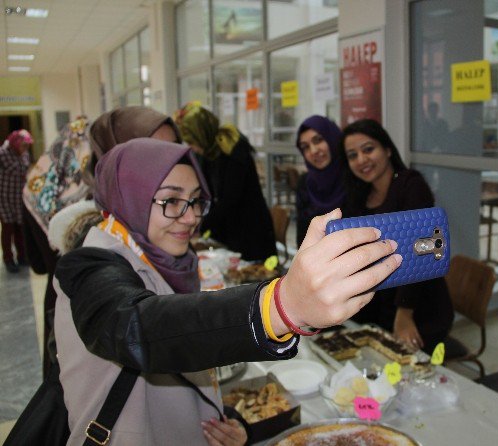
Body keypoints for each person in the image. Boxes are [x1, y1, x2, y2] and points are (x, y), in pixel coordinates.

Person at [53, 137, 400, 444]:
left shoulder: (166, 263)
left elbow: (184, 359)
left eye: (195, 201)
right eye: (171, 201)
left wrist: (230, 423)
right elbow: (137, 329)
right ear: (128, 195)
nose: (190, 217)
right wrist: (280, 306)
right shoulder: (88, 266)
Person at [22, 107, 180, 379]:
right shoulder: (97, 233)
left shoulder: (154, 212)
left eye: (175, 150)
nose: (169, 163)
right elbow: (131, 326)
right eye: (152, 151)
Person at [339, 118, 454, 354]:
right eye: (352, 155)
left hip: (418, 305)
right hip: (378, 303)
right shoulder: (359, 196)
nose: (361, 160)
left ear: (387, 149)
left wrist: (404, 314)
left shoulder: (412, 185)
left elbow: (425, 249)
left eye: (368, 149)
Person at [174, 102, 276, 262]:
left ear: (202, 135)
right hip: (228, 230)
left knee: (253, 278)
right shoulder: (209, 151)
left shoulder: (232, 150)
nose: (192, 147)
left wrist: (201, 225)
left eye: (192, 142)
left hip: (249, 229)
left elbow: (230, 200)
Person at [295, 115, 345, 246]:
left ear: (332, 138)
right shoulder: (305, 184)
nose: (313, 151)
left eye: (318, 140)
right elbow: (302, 240)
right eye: (305, 147)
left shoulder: (355, 179)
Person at [0, 129, 32, 273]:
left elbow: (26, 171)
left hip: (19, 197)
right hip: (4, 197)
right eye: (23, 145)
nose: (25, 149)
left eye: (27, 146)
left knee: (20, 228)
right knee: (8, 229)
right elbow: (19, 169)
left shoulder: (25, 154)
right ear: (15, 143)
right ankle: (8, 259)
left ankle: (22, 257)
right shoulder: (3, 154)